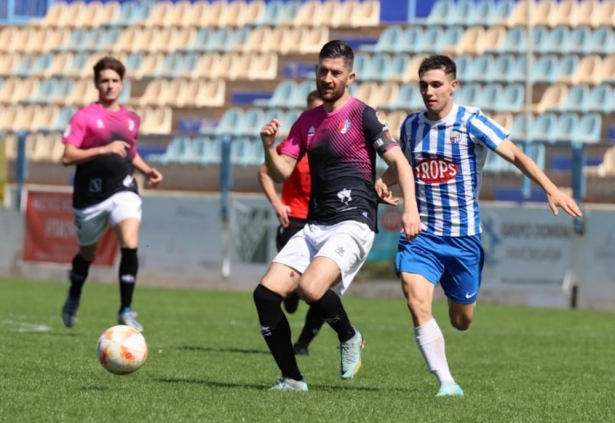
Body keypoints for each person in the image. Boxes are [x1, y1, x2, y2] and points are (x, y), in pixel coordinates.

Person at [375, 54, 582, 397]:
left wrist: (551, 188)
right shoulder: (411, 125)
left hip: (463, 239)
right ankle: (447, 382)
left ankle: (457, 311)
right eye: (424, 85)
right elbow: (405, 166)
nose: (429, 91)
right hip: (421, 234)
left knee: (461, 321)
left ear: (453, 86)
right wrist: (384, 180)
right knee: (416, 300)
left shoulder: (471, 121)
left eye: (437, 85)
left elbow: (515, 154)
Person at [254, 40, 422, 391]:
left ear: (350, 77)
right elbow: (283, 171)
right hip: (315, 224)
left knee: (311, 287)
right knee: (266, 296)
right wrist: (269, 147)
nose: (327, 78)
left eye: (335, 73)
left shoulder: (364, 115)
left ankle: (350, 336)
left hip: (353, 222)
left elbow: (400, 163)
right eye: (322, 71)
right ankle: (292, 378)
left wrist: (410, 208)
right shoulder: (307, 121)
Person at [60, 56, 163, 332]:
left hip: (123, 188)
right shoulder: (84, 117)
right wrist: (102, 150)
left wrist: (147, 170)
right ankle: (74, 294)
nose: (109, 85)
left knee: (130, 242)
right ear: (96, 83)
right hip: (90, 197)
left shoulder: (130, 119)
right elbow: (68, 156)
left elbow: (130, 152)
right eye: (104, 80)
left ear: (122, 84)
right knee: (87, 254)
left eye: (115, 81)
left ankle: (126, 309)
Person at [257, 89, 325, 356]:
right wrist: (277, 203)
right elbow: (264, 172)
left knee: (321, 288)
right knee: (290, 287)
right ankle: (292, 292)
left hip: (327, 223)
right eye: (315, 112)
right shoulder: (296, 143)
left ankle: (303, 344)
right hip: (295, 220)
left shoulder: (340, 144)